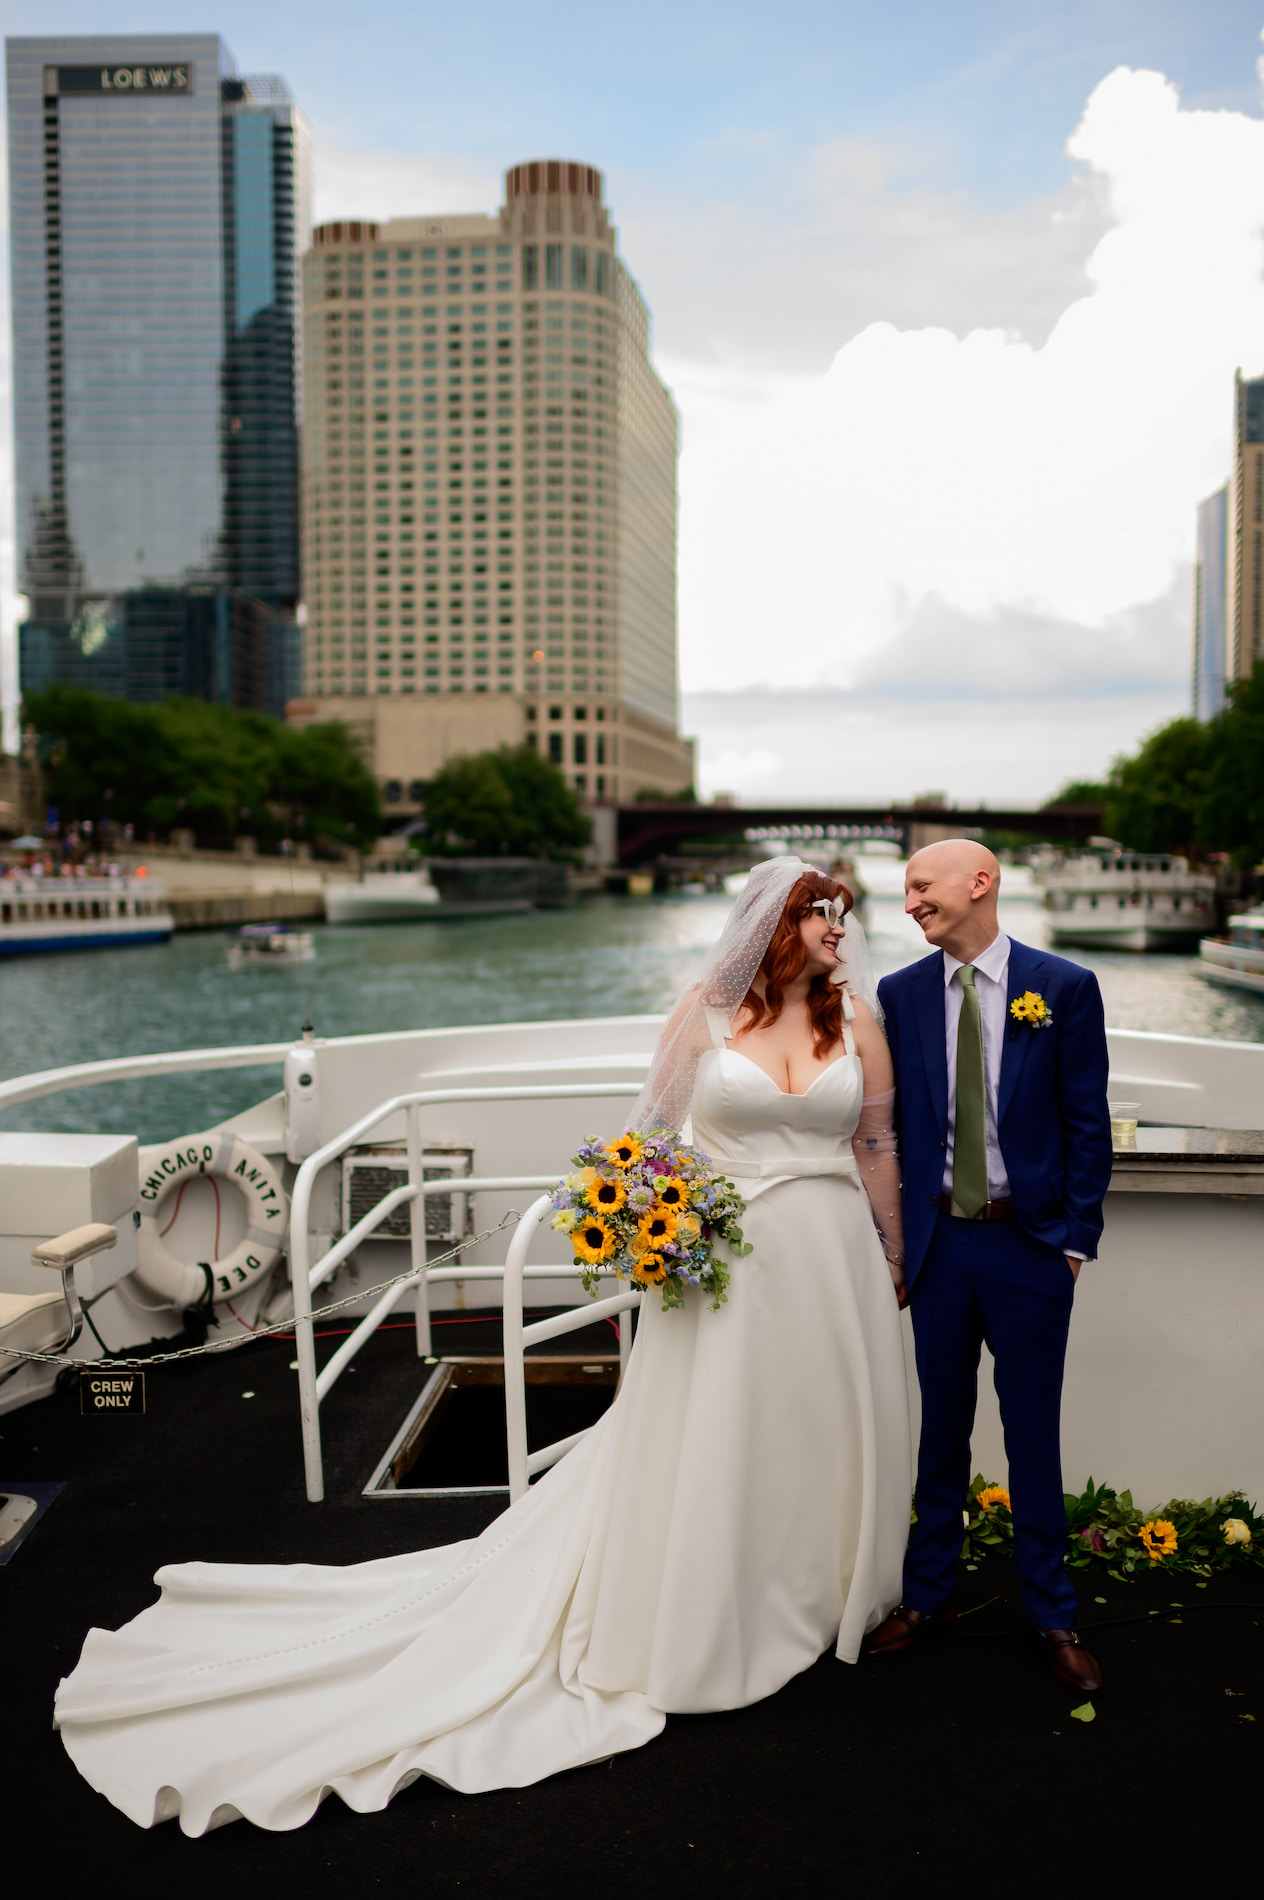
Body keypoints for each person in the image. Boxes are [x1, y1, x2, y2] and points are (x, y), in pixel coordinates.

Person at [54, 857, 913, 1835]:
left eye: (844, 913)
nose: (843, 928)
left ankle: (821, 1589)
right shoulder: (705, 1013)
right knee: (719, 1436)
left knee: (817, 1429)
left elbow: (874, 1146)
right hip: (726, 1266)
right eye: (826, 914)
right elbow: (648, 1136)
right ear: (777, 925)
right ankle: (712, 1605)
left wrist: (889, 1254)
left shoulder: (859, 1018)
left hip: (834, 1259)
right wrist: (645, 1226)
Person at [865, 840, 1112, 1693]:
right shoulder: (896, 996)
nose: (909, 906)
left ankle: (1051, 1613)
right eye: (904, 893)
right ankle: (926, 1598)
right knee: (940, 1428)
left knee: (1031, 1434)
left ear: (980, 884)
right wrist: (896, 1244)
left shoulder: (1065, 988)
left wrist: (1074, 1243)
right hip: (938, 1247)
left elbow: (1088, 1125)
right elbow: (880, 1129)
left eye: (919, 888)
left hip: (1030, 1247)